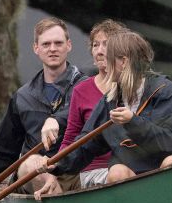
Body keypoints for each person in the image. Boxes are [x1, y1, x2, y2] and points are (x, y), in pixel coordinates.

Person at [36, 30, 172, 198]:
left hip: (158, 164)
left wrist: (132, 121)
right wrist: (56, 164)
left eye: (108, 59)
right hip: (127, 169)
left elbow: (170, 143)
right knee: (117, 172)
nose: (103, 64)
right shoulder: (110, 100)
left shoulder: (163, 89)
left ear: (124, 62)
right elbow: (86, 144)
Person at [0, 17, 86, 203]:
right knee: (31, 164)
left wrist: (56, 119)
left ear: (68, 45)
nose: (52, 48)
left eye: (58, 43)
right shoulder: (22, 97)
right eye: (46, 44)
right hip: (34, 175)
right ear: (36, 48)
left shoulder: (86, 86)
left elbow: (85, 110)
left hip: (74, 172)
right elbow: (3, 150)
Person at [49, 19, 129, 192]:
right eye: (95, 45)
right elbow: (70, 137)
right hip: (93, 172)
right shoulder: (81, 90)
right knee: (119, 174)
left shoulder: (134, 87)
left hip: (132, 167)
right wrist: (56, 173)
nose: (99, 51)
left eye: (106, 45)